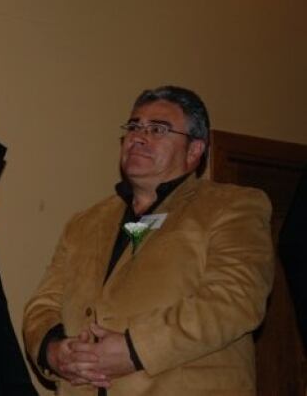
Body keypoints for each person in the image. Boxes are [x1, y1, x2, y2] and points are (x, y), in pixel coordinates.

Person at [22, 86, 274, 395]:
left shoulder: (232, 206)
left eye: (157, 129)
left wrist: (134, 349)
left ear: (195, 150)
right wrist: (54, 350)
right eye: (133, 127)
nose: (138, 137)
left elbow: (234, 301)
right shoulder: (85, 223)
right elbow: (42, 304)